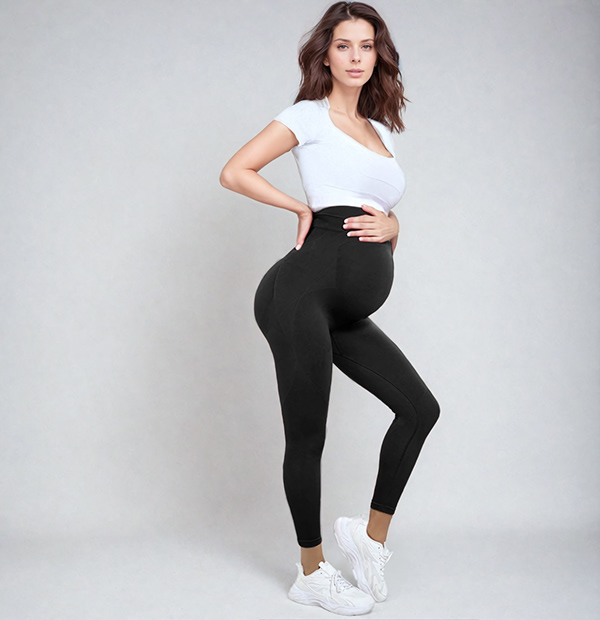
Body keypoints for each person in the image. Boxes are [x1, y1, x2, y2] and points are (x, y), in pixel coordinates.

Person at [220, 2, 440, 615]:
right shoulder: (307, 116)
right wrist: (299, 207)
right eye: (343, 45)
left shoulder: (383, 131)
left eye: (366, 46)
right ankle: (311, 570)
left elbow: (380, 216)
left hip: (345, 307)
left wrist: (395, 226)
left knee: (419, 409)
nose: (355, 57)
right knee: (308, 434)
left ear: (378, 55)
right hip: (298, 295)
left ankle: (369, 540)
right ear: (325, 54)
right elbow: (235, 171)